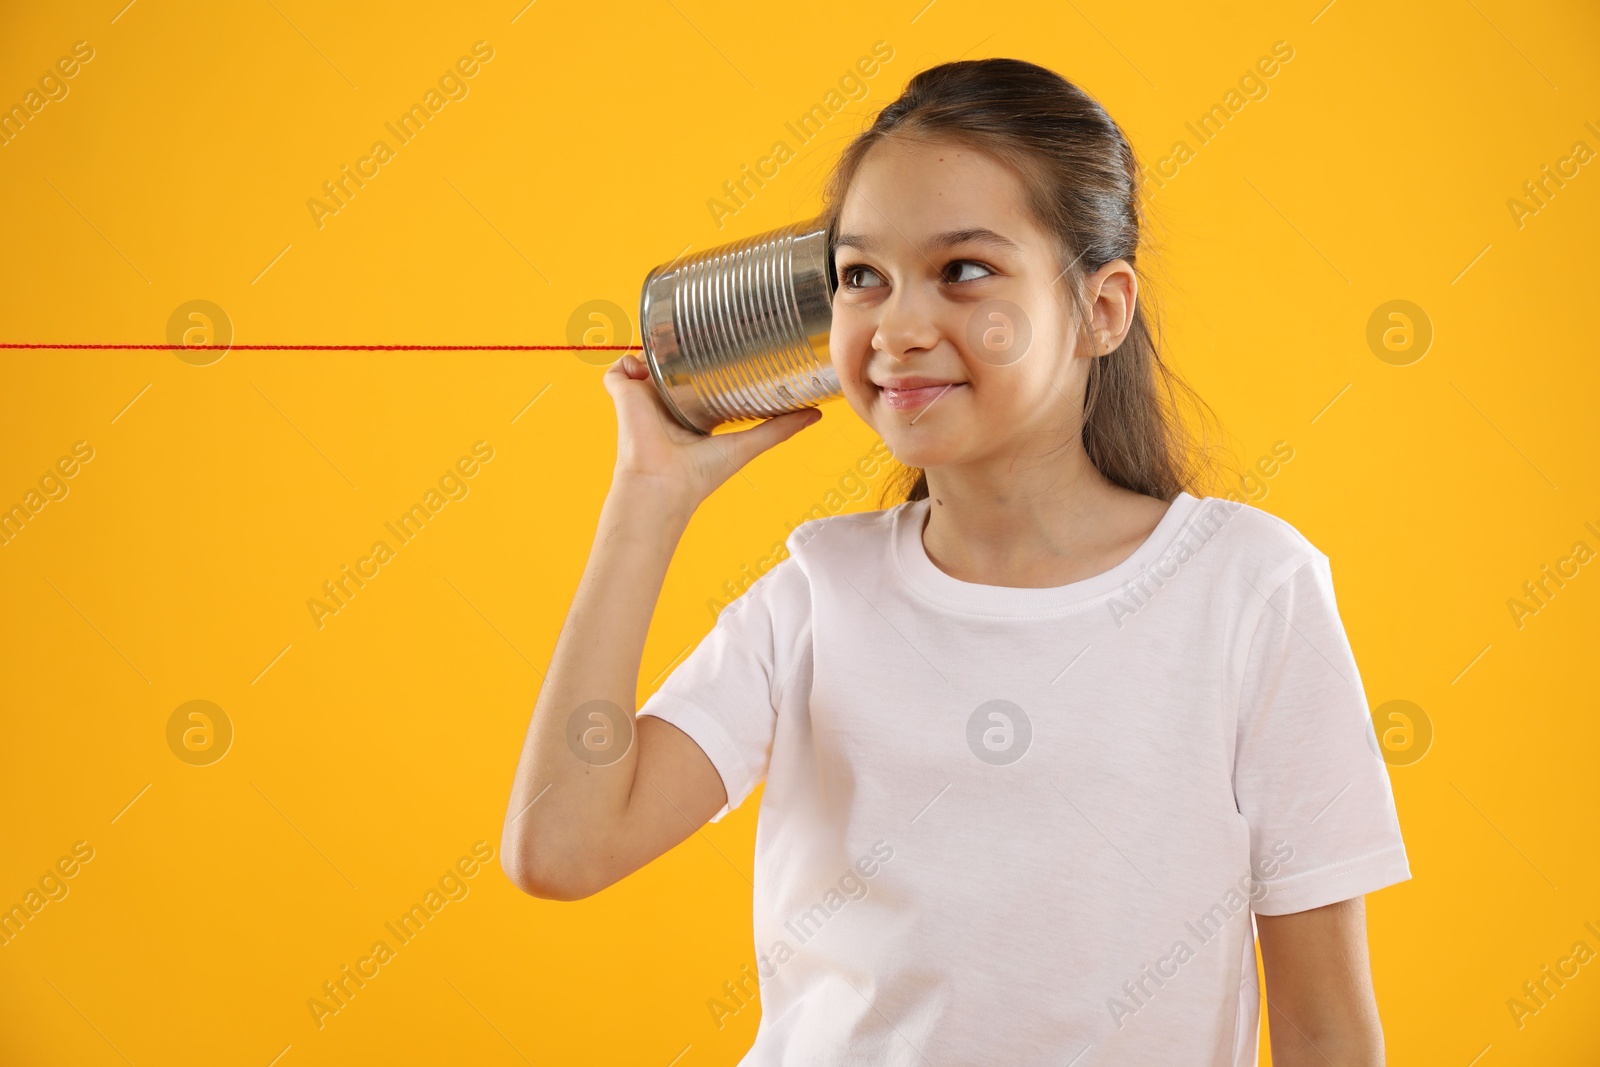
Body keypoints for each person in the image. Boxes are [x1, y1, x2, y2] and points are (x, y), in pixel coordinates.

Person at [501, 57, 1410, 1066]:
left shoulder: (1246, 590)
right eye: (860, 277)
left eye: (963, 270)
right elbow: (561, 846)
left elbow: (1326, 1026)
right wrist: (648, 496)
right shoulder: (817, 592)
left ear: (1101, 310)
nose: (897, 327)